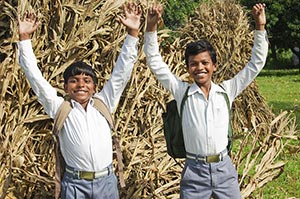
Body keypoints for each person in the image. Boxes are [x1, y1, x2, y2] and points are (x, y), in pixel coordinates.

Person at [17, 2, 141, 199]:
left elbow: (122, 72)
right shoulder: (60, 108)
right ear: (66, 88)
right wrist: (24, 39)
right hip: (75, 186)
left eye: (87, 81)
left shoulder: (104, 103)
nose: (81, 85)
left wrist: (132, 34)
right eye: (74, 81)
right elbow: (36, 79)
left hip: (107, 183)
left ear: (94, 86)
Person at [144, 3, 268, 199]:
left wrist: (260, 27)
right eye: (193, 64)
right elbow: (155, 62)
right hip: (194, 172)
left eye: (204, 63)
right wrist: (151, 29)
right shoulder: (182, 92)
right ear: (187, 68)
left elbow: (256, 63)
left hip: (224, 169)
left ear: (214, 66)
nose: (199, 68)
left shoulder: (227, 90)